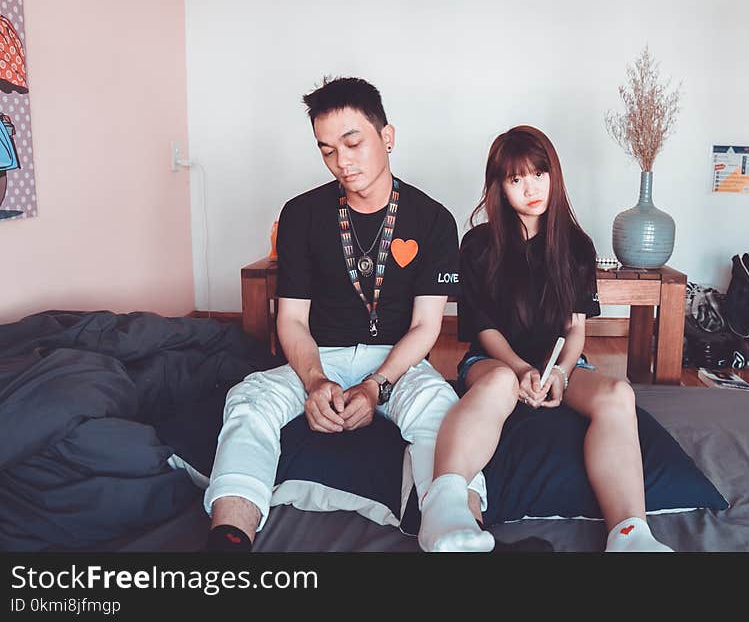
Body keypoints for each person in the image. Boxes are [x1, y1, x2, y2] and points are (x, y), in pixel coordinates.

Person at [203, 76, 487, 551]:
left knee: (443, 412)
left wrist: (377, 386)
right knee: (249, 400)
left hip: (398, 361)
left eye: (353, 142)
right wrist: (314, 380)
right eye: (327, 149)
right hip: (320, 356)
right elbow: (291, 320)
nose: (342, 161)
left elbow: (426, 327)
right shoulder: (300, 214)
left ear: (387, 137)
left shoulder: (434, 219)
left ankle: (456, 531)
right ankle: (228, 540)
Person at [418, 125, 673, 552]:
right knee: (499, 382)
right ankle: (443, 504)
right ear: (499, 187)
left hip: (560, 361)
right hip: (494, 360)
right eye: (515, 179)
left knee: (617, 394)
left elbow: (575, 328)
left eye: (538, 174)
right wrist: (519, 368)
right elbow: (483, 328)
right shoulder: (478, 244)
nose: (530, 188)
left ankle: (630, 535)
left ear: (553, 174)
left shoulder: (576, 245)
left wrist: (560, 370)